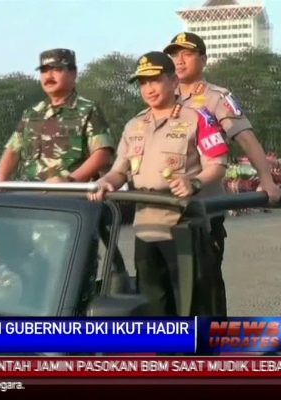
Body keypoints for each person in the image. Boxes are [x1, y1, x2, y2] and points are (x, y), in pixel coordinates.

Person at [89, 51, 229, 316]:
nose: (149, 89)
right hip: (146, 228)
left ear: (173, 81)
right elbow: (119, 171)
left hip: (185, 229)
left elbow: (217, 165)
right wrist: (105, 182)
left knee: (191, 306)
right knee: (154, 306)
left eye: (155, 80)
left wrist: (193, 183)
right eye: (143, 83)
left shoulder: (198, 118)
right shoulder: (134, 126)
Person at [163, 32, 280, 314]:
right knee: (167, 292)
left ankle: (213, 341)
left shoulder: (216, 98)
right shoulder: (163, 96)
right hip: (164, 209)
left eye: (187, 54)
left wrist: (266, 180)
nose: (179, 60)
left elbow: (245, 138)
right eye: (174, 55)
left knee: (206, 290)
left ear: (203, 60)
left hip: (204, 211)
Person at [0, 48, 115, 183]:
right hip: (32, 192)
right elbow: (12, 151)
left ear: (73, 73)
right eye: (44, 71)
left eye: (57, 69)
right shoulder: (32, 113)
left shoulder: (88, 110)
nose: (49, 76)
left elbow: (102, 154)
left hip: (72, 192)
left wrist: (69, 181)